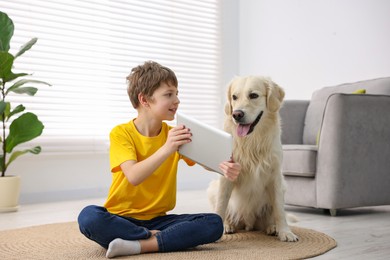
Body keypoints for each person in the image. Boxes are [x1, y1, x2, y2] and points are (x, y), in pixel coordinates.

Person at [77, 60, 241, 258]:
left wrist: (225, 166)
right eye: (169, 94)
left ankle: (138, 245)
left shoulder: (175, 135)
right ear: (145, 100)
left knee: (214, 223)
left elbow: (208, 161)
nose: (177, 100)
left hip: (159, 221)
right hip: (120, 218)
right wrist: (168, 147)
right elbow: (134, 176)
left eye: (177, 94)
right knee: (89, 217)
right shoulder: (121, 133)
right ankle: (152, 238)